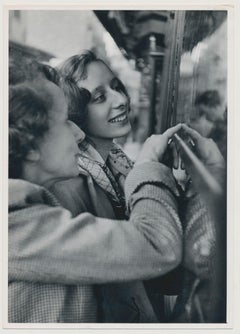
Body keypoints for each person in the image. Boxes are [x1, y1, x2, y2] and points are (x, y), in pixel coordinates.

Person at [8, 57, 183, 323]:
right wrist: (148, 167)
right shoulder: (18, 222)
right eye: (65, 120)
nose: (79, 135)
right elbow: (155, 246)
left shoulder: (35, 203)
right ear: (29, 145)